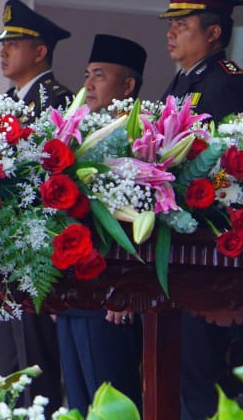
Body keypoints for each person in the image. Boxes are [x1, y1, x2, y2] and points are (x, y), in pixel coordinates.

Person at [158, 0, 243, 420]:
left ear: (214, 33)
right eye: (171, 23)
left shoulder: (227, 83)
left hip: (208, 251)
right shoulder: (180, 82)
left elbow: (232, 175)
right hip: (180, 250)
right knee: (177, 375)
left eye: (183, 24)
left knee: (203, 381)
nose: (171, 32)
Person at [0, 0, 69, 408]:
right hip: (6, 248)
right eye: (3, 44)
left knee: (35, 362)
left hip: (34, 249)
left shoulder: (55, 100)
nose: (4, 51)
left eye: (15, 43)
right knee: (10, 360)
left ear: (40, 52)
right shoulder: (11, 103)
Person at [57, 34, 147, 414]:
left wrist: (125, 287)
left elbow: (146, 218)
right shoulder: (84, 134)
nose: (88, 84)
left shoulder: (142, 136)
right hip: (75, 292)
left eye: (100, 75)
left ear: (128, 86)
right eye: (86, 75)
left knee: (111, 400)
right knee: (79, 402)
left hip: (111, 298)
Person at [0, 0, 73, 112]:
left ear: (39, 53)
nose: (2, 53)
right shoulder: (8, 98)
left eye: (12, 44)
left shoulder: (59, 101)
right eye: (3, 45)